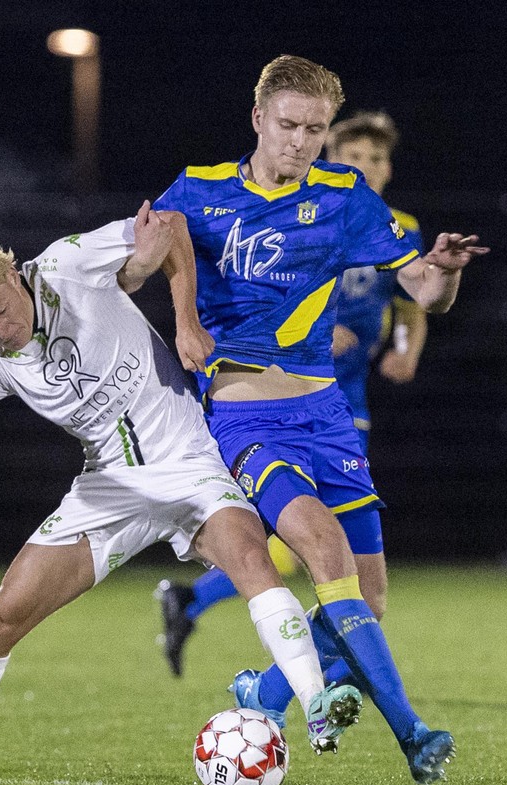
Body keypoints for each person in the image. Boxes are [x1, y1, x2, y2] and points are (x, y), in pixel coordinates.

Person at [0, 201, 362, 785]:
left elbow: (172, 225)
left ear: (12, 273)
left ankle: (315, 706)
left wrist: (182, 317)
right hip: (109, 486)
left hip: (188, 459)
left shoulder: (65, 263)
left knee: (252, 560)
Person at [152, 55, 487, 785]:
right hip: (245, 418)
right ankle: (413, 735)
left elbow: (424, 290)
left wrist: (448, 268)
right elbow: (147, 253)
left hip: (328, 415)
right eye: (289, 126)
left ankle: (261, 693)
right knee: (321, 546)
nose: (301, 141)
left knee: (369, 601)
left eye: (315, 128)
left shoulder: (346, 196)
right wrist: (182, 320)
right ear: (257, 120)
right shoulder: (202, 190)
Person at [156, 111, 428, 670]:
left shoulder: (394, 225)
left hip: (345, 401)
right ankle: (300, 679)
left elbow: (410, 306)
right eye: (355, 158)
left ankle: (201, 608)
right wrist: (319, 331)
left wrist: (406, 347)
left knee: (329, 558)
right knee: (317, 551)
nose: (368, 168)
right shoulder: (306, 211)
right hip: (278, 398)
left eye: (376, 160)